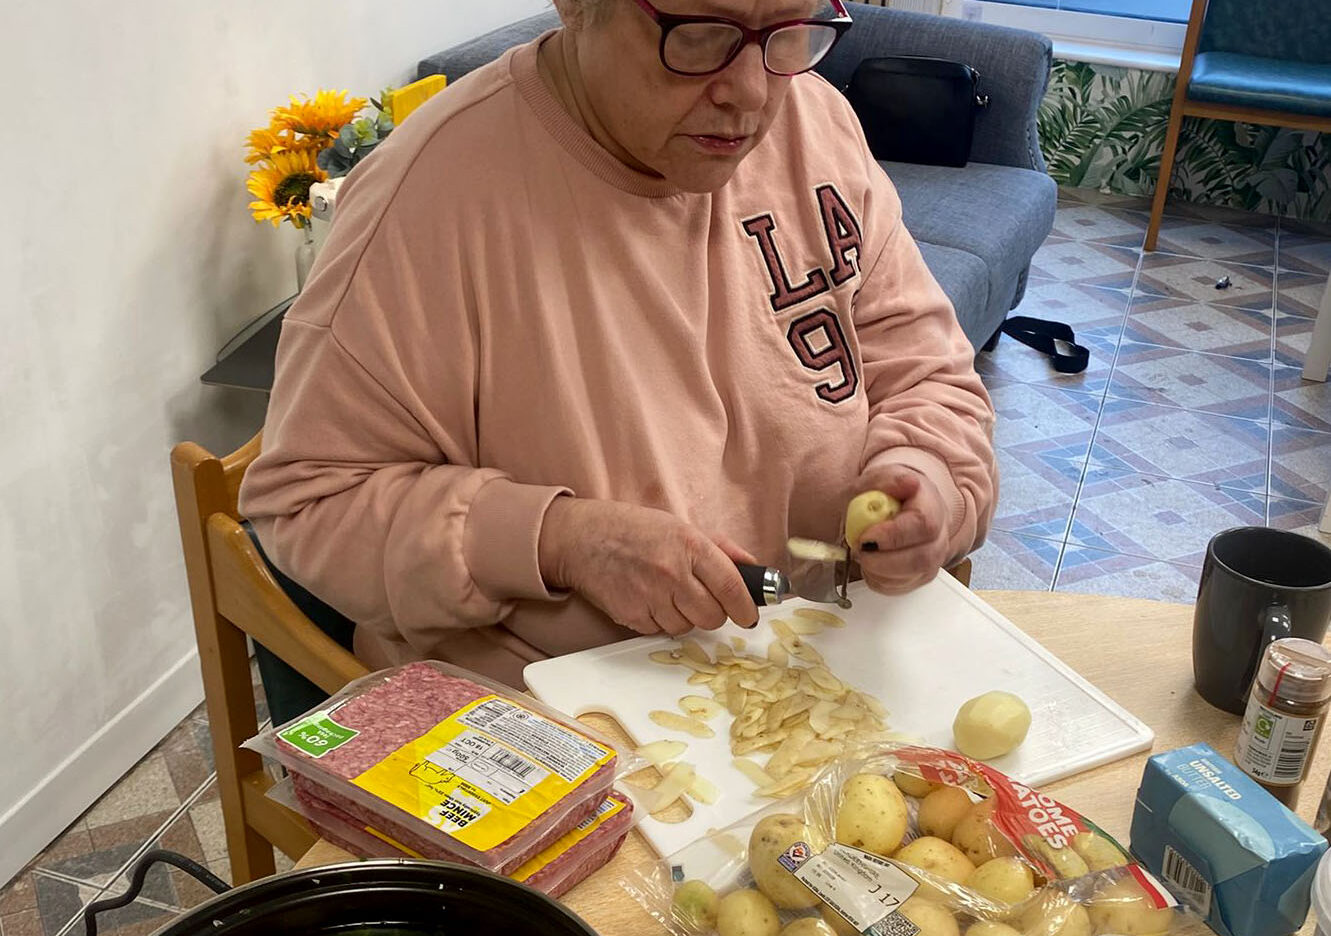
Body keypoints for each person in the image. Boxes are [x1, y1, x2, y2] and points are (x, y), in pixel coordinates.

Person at [240, 0, 998, 688]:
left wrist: (927, 473)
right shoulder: (425, 204)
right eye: (699, 35)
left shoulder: (815, 117)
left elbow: (926, 370)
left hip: (816, 659)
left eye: (790, 32)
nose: (752, 93)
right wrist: (560, 540)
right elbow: (306, 507)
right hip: (560, 714)